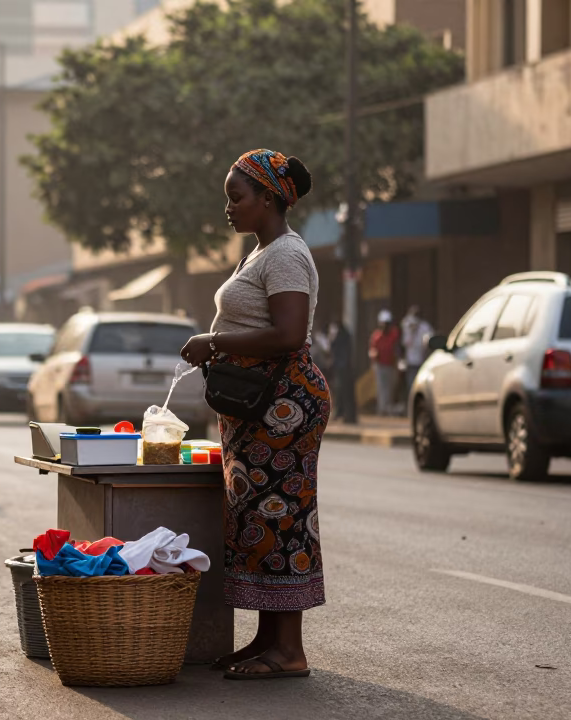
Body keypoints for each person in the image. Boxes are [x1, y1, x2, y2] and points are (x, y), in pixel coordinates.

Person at [179, 149, 329, 680]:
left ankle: (289, 651)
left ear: (268, 198)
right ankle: (267, 640)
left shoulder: (285, 254)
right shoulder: (260, 253)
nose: (229, 208)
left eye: (236, 197)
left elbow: (289, 335)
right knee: (258, 517)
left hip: (283, 406)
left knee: (279, 517)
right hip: (260, 405)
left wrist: (215, 341)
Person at [400, 306, 433, 414]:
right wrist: (411, 331)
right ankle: (410, 411)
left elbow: (428, 343)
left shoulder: (425, 327)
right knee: (411, 387)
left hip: (422, 362)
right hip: (410, 362)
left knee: (422, 388)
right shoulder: (406, 325)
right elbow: (405, 343)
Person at [369, 309, 401, 416]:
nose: (385, 326)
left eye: (387, 324)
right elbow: (372, 350)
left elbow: (397, 347)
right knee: (381, 387)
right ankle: (382, 409)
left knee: (390, 387)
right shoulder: (376, 336)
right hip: (380, 365)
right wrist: (374, 355)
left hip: (391, 365)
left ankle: (388, 408)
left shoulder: (394, 334)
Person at [327, 319, 357, 424]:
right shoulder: (343, 335)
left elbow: (334, 348)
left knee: (344, 392)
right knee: (342, 392)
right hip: (343, 369)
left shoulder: (341, 336)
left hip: (343, 369)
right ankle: (343, 414)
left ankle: (347, 416)